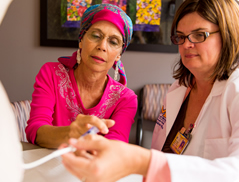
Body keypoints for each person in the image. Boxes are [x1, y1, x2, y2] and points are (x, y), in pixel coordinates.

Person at [60, 0, 239, 181]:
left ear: (228, 34)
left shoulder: (235, 90)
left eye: (200, 35)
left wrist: (139, 161)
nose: (186, 45)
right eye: (181, 36)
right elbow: (163, 153)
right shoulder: (179, 90)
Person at [25, 3, 137, 149]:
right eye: (96, 36)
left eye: (113, 42)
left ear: (118, 55)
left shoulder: (126, 99)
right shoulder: (51, 73)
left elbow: (115, 148)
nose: (102, 46)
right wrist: (69, 134)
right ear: (81, 41)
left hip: (93, 170)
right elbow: (35, 130)